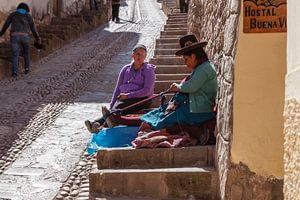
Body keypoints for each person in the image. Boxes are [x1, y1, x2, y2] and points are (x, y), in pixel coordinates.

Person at [85, 44, 156, 133]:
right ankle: (99, 124)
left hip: (142, 99)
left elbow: (147, 91)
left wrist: (128, 95)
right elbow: (118, 89)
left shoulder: (148, 70)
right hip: (124, 99)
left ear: (145, 56)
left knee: (120, 107)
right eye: (137, 54)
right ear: (132, 55)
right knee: (117, 106)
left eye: (142, 54)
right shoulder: (125, 69)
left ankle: (98, 124)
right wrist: (112, 105)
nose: (140, 57)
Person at [0, 2, 41, 77]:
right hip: (25, 36)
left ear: (18, 8)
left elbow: (6, 25)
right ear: (26, 9)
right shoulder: (28, 16)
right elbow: (33, 28)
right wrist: (37, 38)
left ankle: (15, 72)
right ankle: (27, 69)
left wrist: (1, 34)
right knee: (26, 52)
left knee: (15, 54)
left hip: (14, 36)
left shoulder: (13, 14)